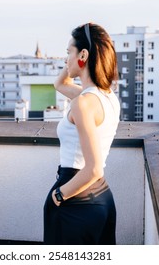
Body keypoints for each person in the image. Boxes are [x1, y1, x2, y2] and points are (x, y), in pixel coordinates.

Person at [43, 23, 120, 244]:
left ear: (83, 55)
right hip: (101, 197)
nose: (65, 60)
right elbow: (59, 83)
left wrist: (58, 195)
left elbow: (93, 168)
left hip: (76, 195)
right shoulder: (107, 97)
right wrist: (78, 58)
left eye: (69, 52)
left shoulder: (84, 103)